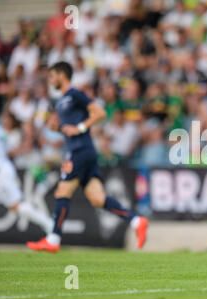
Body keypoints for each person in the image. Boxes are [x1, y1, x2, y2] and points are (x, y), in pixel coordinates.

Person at [27, 61, 149, 253]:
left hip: (79, 150)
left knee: (62, 192)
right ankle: (137, 221)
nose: (50, 81)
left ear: (61, 75)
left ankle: (53, 238)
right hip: (84, 150)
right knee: (98, 198)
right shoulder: (61, 101)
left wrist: (80, 128)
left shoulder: (75, 94)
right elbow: (62, 126)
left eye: (52, 76)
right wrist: (58, 127)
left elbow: (98, 112)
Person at [0, 122, 53, 234]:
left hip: (1, 173)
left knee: (16, 205)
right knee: (16, 206)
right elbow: (11, 150)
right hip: (4, 169)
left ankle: (49, 224)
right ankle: (49, 224)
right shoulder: (0, 129)